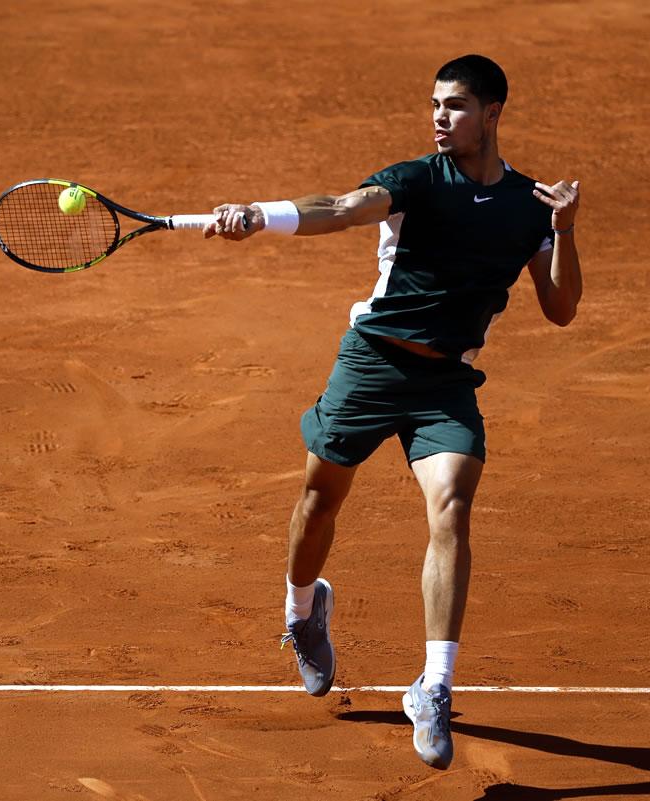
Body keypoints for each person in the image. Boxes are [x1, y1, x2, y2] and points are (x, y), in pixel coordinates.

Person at [203, 54, 582, 770]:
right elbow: (340, 208)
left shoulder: (529, 205)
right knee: (319, 500)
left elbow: (560, 308)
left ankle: (434, 685)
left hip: (446, 382)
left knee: (452, 507)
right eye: (435, 104)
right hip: (371, 363)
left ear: (493, 113)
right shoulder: (415, 180)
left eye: (456, 105)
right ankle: (302, 610)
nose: (440, 116)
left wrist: (563, 230)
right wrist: (261, 215)